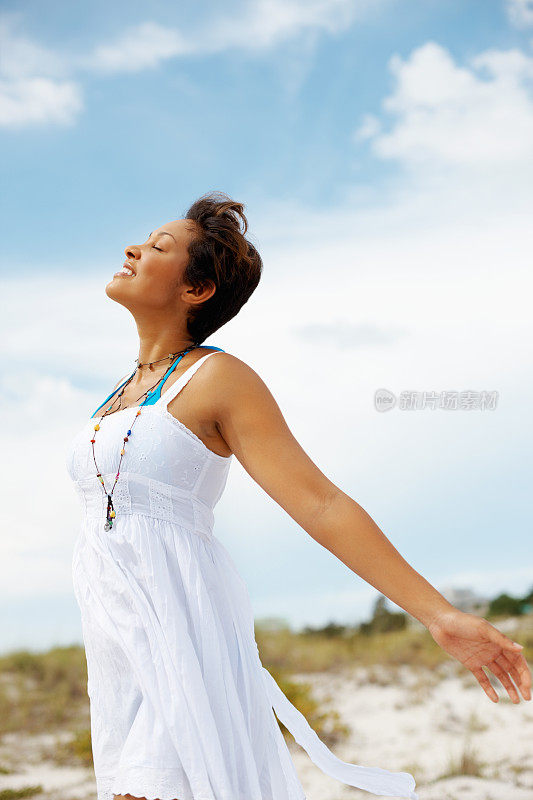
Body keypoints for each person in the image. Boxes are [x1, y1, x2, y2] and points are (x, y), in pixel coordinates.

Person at [66, 190, 531, 800]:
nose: (131, 248)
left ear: (197, 289)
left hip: (186, 629)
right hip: (118, 643)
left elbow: (319, 503)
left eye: (158, 247)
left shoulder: (218, 379)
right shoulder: (121, 393)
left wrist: (439, 615)